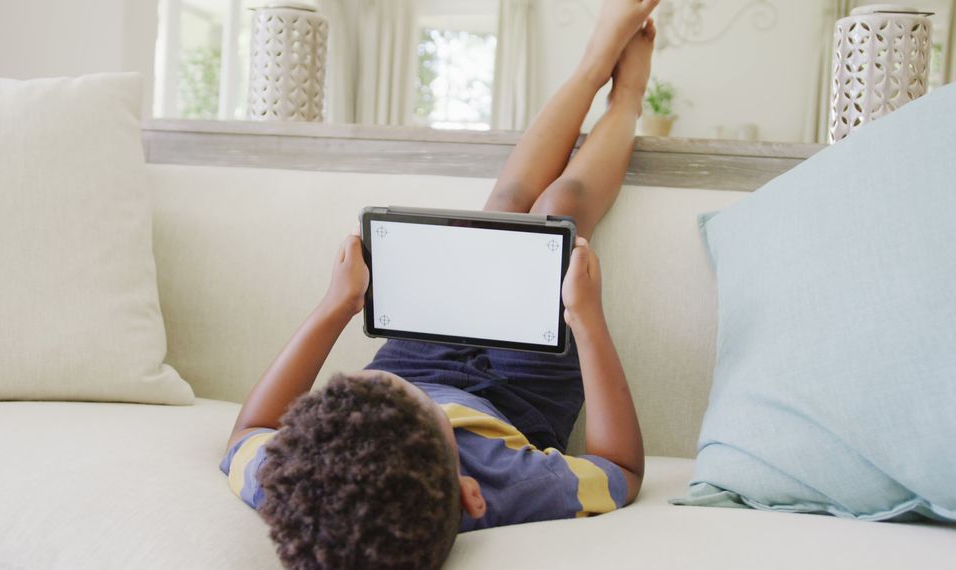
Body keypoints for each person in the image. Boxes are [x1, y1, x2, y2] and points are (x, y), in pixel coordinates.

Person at [221, 2, 658, 568]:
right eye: (424, 412)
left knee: (501, 212)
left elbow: (247, 434)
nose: (433, 404)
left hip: (410, 358)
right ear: (469, 495)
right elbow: (621, 469)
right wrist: (587, 320)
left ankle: (592, 66)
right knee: (557, 213)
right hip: (520, 388)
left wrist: (337, 306)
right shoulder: (505, 484)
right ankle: (627, 98)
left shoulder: (298, 489)